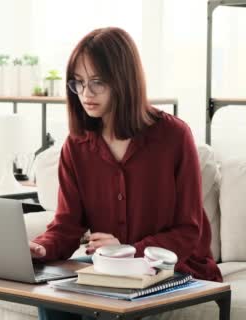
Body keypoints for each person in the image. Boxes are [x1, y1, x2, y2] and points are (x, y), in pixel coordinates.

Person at [28, 27, 222, 320]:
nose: (85, 94)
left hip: (173, 267)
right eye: (78, 83)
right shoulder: (76, 146)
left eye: (97, 83)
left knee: (109, 307)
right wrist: (39, 248)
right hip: (112, 269)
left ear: (123, 81)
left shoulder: (173, 136)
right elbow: (68, 226)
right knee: (53, 295)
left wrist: (131, 250)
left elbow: (188, 232)